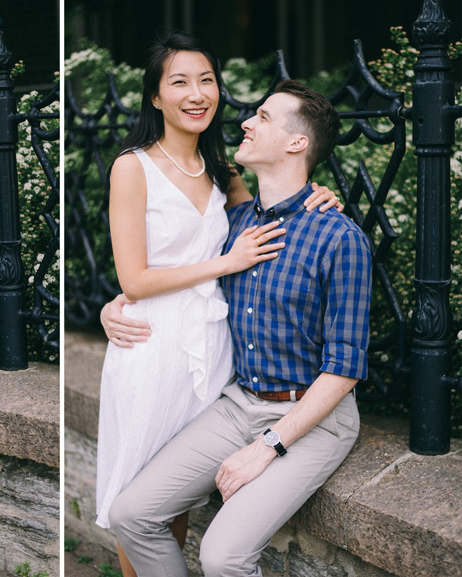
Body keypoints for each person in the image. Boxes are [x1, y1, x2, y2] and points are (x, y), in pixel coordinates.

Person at [102, 79, 371, 576]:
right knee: (131, 514)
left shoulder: (339, 238)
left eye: (264, 117)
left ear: (297, 143)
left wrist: (268, 447)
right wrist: (114, 306)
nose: (245, 121)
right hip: (239, 403)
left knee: (223, 557)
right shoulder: (236, 222)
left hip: (312, 416)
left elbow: (344, 369)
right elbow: (170, 271)